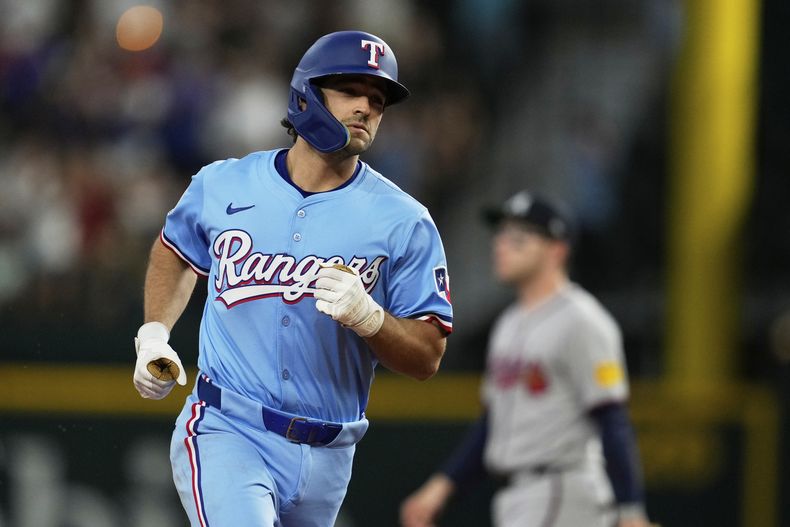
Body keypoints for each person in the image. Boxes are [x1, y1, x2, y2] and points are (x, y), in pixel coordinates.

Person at [131, 30, 453, 527]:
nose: (367, 107)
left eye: (378, 99)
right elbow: (175, 252)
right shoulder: (224, 183)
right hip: (228, 427)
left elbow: (428, 356)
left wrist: (371, 318)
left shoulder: (405, 220)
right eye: (351, 90)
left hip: (330, 453)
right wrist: (154, 333)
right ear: (308, 93)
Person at [400, 191, 651, 527]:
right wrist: (441, 487)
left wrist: (631, 509)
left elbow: (612, 417)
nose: (501, 245)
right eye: (501, 235)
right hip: (518, 496)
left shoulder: (584, 321)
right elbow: (493, 424)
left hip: (563, 489)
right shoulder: (508, 324)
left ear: (557, 251)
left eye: (518, 238)